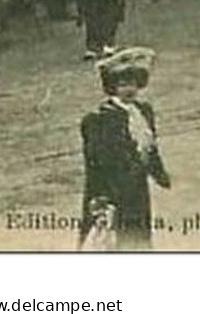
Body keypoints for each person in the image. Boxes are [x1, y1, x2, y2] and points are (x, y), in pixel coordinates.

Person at [79, 47, 170, 250]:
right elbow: (98, 161)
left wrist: (159, 173)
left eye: (133, 84)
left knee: (139, 235)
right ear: (112, 87)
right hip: (111, 189)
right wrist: (103, 197)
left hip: (137, 187)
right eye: (122, 84)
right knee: (110, 240)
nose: (129, 89)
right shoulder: (99, 119)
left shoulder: (144, 111)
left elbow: (151, 146)